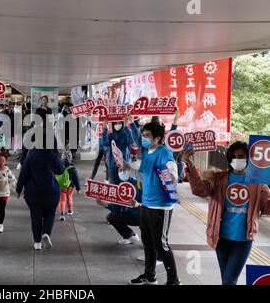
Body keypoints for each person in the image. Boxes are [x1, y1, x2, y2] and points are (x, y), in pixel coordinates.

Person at [183, 141, 270, 285]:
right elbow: (199, 189)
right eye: (234, 157)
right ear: (229, 160)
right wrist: (190, 165)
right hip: (221, 238)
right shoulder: (218, 179)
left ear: (248, 158)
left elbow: (267, 208)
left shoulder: (258, 183)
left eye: (241, 156)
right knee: (226, 279)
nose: (238, 160)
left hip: (242, 240)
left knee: (229, 280)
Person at [122, 121, 180, 285]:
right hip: (146, 204)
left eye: (147, 136)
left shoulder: (164, 152)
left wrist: (173, 176)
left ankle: (174, 280)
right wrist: (128, 169)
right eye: (143, 135)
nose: (143, 138)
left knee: (161, 245)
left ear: (157, 138)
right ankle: (150, 275)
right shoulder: (147, 153)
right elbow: (142, 176)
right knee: (148, 242)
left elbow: (172, 169)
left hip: (161, 206)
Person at [16, 135, 64, 251]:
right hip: (51, 192)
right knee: (50, 213)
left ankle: (37, 242)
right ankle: (46, 233)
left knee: (35, 216)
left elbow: (23, 173)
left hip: (33, 193)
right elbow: (61, 171)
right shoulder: (53, 156)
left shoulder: (31, 155)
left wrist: (18, 190)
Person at [0, 152, 17, 233]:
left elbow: (12, 180)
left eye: (2, 161)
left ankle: (0, 225)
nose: (0, 163)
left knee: (2, 209)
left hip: (5, 192)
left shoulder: (7, 170)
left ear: (5, 162)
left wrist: (15, 189)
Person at [102, 120, 134, 185]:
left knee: (125, 185)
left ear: (122, 123)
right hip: (112, 164)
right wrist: (105, 129)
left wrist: (126, 127)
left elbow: (131, 141)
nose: (117, 124)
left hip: (125, 164)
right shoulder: (110, 134)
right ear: (113, 124)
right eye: (115, 123)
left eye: (120, 123)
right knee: (113, 185)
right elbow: (105, 144)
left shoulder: (126, 132)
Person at [56, 148, 81, 221]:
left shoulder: (59, 166)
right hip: (70, 186)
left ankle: (62, 214)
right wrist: (78, 188)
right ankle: (70, 211)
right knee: (69, 197)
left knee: (62, 199)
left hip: (61, 186)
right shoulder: (72, 168)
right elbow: (76, 178)